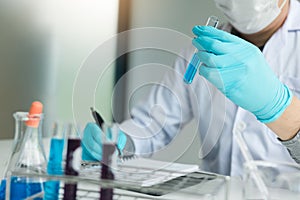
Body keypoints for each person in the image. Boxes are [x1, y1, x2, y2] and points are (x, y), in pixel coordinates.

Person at [81, 0, 300, 176]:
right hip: (213, 192)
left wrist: (279, 107)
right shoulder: (201, 50)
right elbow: (155, 121)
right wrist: (121, 141)